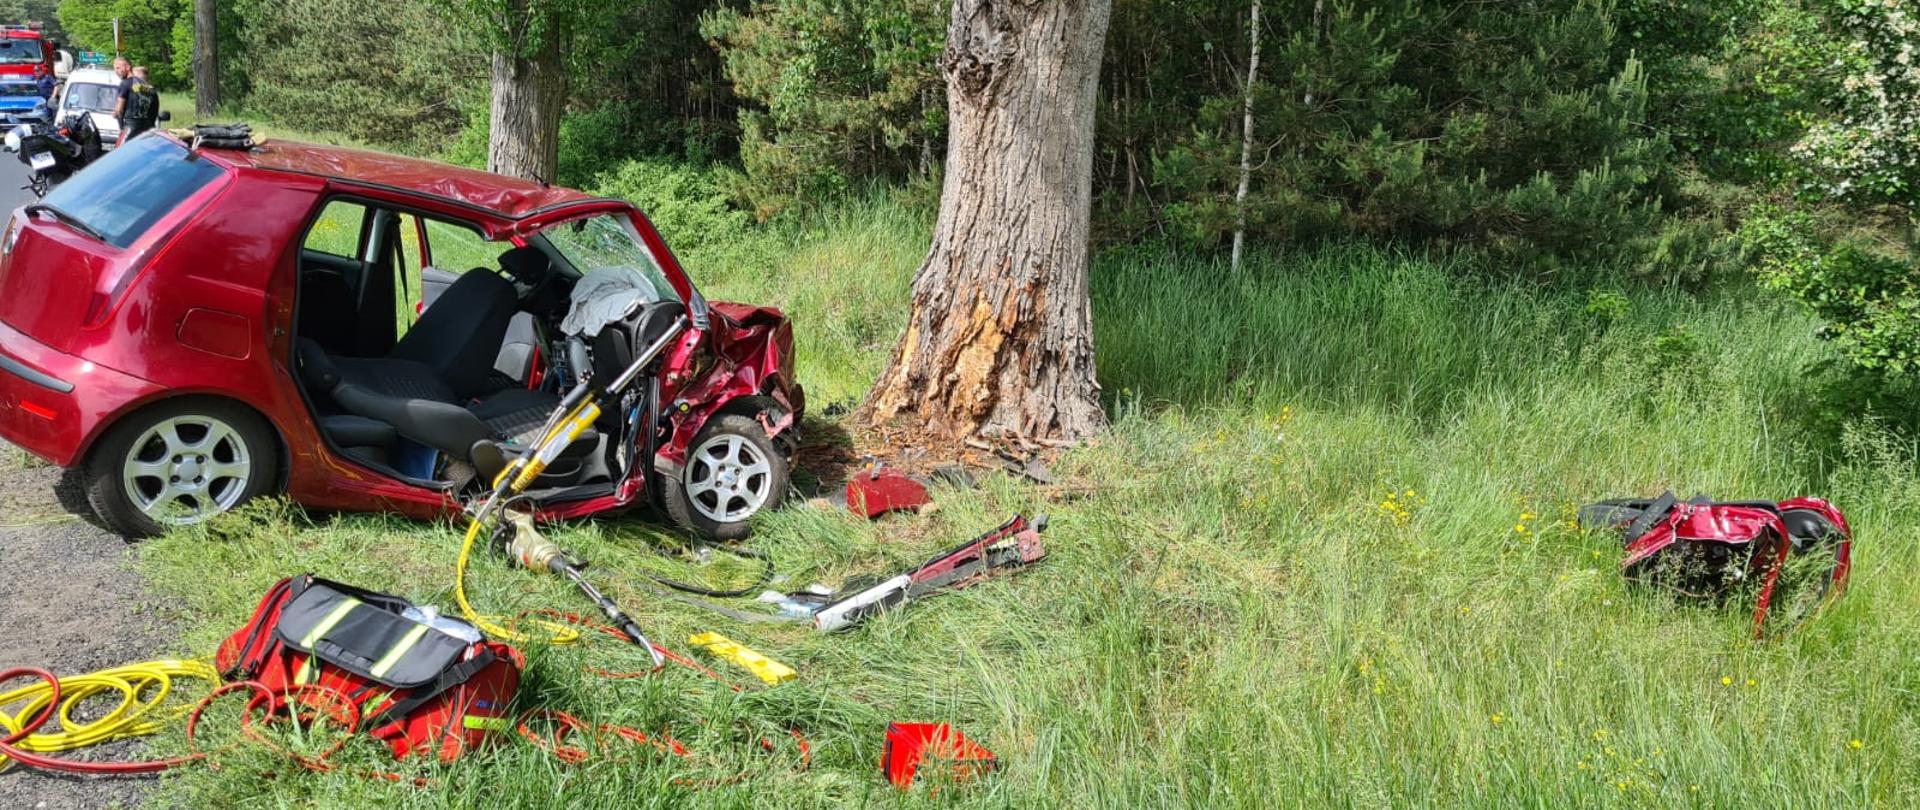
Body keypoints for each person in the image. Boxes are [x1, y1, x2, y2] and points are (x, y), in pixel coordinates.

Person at [114, 64, 159, 146]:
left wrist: (121, 125)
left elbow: (119, 110)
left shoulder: (129, 86)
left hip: (131, 129)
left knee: (120, 151)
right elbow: (154, 113)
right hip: (147, 132)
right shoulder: (152, 91)